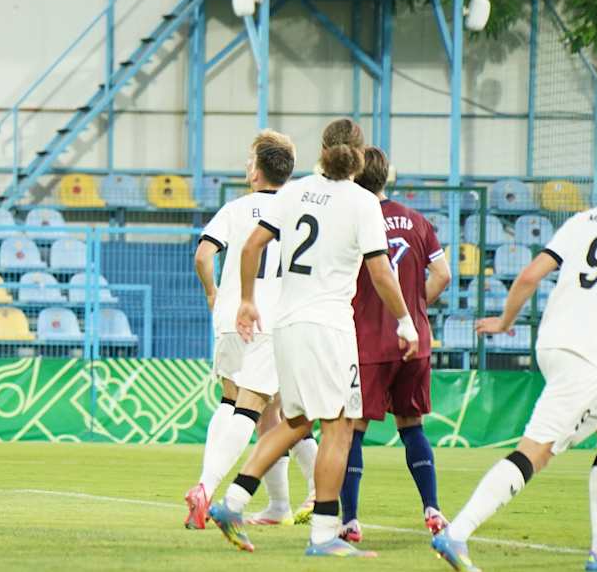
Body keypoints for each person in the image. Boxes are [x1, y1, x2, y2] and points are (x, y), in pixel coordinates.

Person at [431, 146, 597, 572]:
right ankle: (457, 532)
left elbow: (527, 275)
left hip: (554, 344)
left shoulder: (586, 219)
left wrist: (506, 321)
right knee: (535, 452)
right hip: (586, 354)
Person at [207, 117, 418, 557]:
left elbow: (249, 248)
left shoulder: (294, 191)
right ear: (359, 156)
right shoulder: (363, 203)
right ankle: (323, 534)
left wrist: (247, 300)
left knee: (298, 421)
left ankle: (233, 501)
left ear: (323, 150)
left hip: (286, 323)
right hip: (328, 327)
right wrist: (405, 320)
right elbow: (380, 270)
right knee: (338, 426)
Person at [183, 130, 317, 529]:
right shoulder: (299, 210)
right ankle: (207, 488)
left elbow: (204, 255)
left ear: (257, 171)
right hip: (274, 318)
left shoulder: (236, 209)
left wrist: (212, 293)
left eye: (249, 160)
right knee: (267, 409)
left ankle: (279, 504)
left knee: (244, 406)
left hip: (230, 316)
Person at [338, 147, 452, 543]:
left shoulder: (353, 219)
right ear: (387, 177)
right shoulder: (418, 221)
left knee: (353, 428)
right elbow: (442, 273)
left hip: (368, 340)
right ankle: (433, 509)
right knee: (412, 425)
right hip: (414, 341)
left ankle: (349, 520)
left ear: (353, 177)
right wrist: (414, 307)